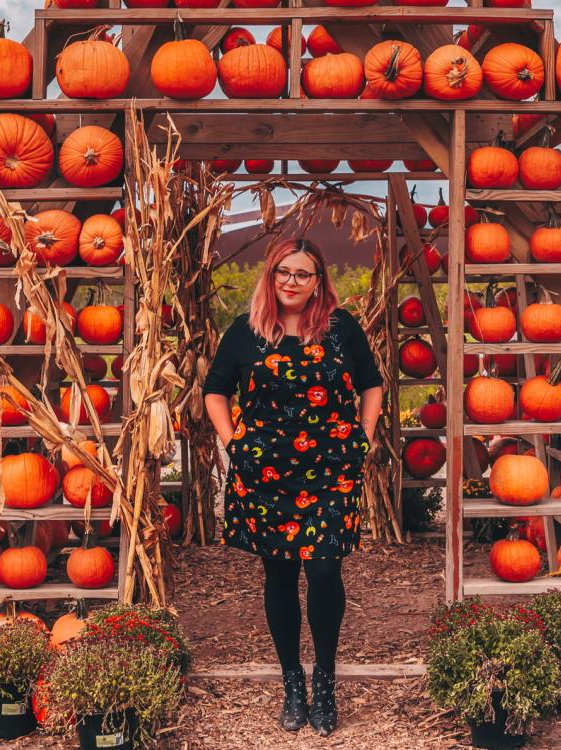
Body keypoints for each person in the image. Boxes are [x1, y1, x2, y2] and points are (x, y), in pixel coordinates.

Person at [203, 238, 384, 736]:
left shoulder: (342, 329)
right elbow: (215, 390)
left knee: (325, 572)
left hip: (330, 471)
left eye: (303, 274)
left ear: (319, 280)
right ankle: (292, 684)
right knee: (279, 576)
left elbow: (372, 382)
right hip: (266, 476)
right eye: (283, 272)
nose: (291, 282)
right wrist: (233, 441)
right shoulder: (246, 332)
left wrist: (363, 437)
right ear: (271, 274)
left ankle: (324, 680)